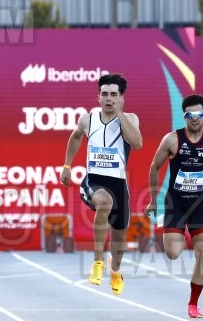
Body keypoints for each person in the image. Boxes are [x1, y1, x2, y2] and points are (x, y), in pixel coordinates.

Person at [145, 94, 203, 319]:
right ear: (184, 117)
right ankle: (183, 234)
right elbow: (154, 167)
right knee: (172, 253)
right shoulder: (172, 140)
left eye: (199, 115)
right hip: (176, 203)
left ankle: (193, 304)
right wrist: (153, 200)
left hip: (199, 203)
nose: (195, 119)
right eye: (190, 115)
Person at [60, 74, 142, 295]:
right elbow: (76, 137)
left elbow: (137, 143)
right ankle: (97, 262)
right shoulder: (88, 119)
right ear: (98, 97)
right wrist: (67, 166)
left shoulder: (130, 119)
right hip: (93, 180)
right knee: (104, 203)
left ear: (121, 98)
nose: (109, 99)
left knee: (119, 237)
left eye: (114, 95)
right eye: (105, 94)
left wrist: (120, 114)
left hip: (118, 183)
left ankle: (115, 270)